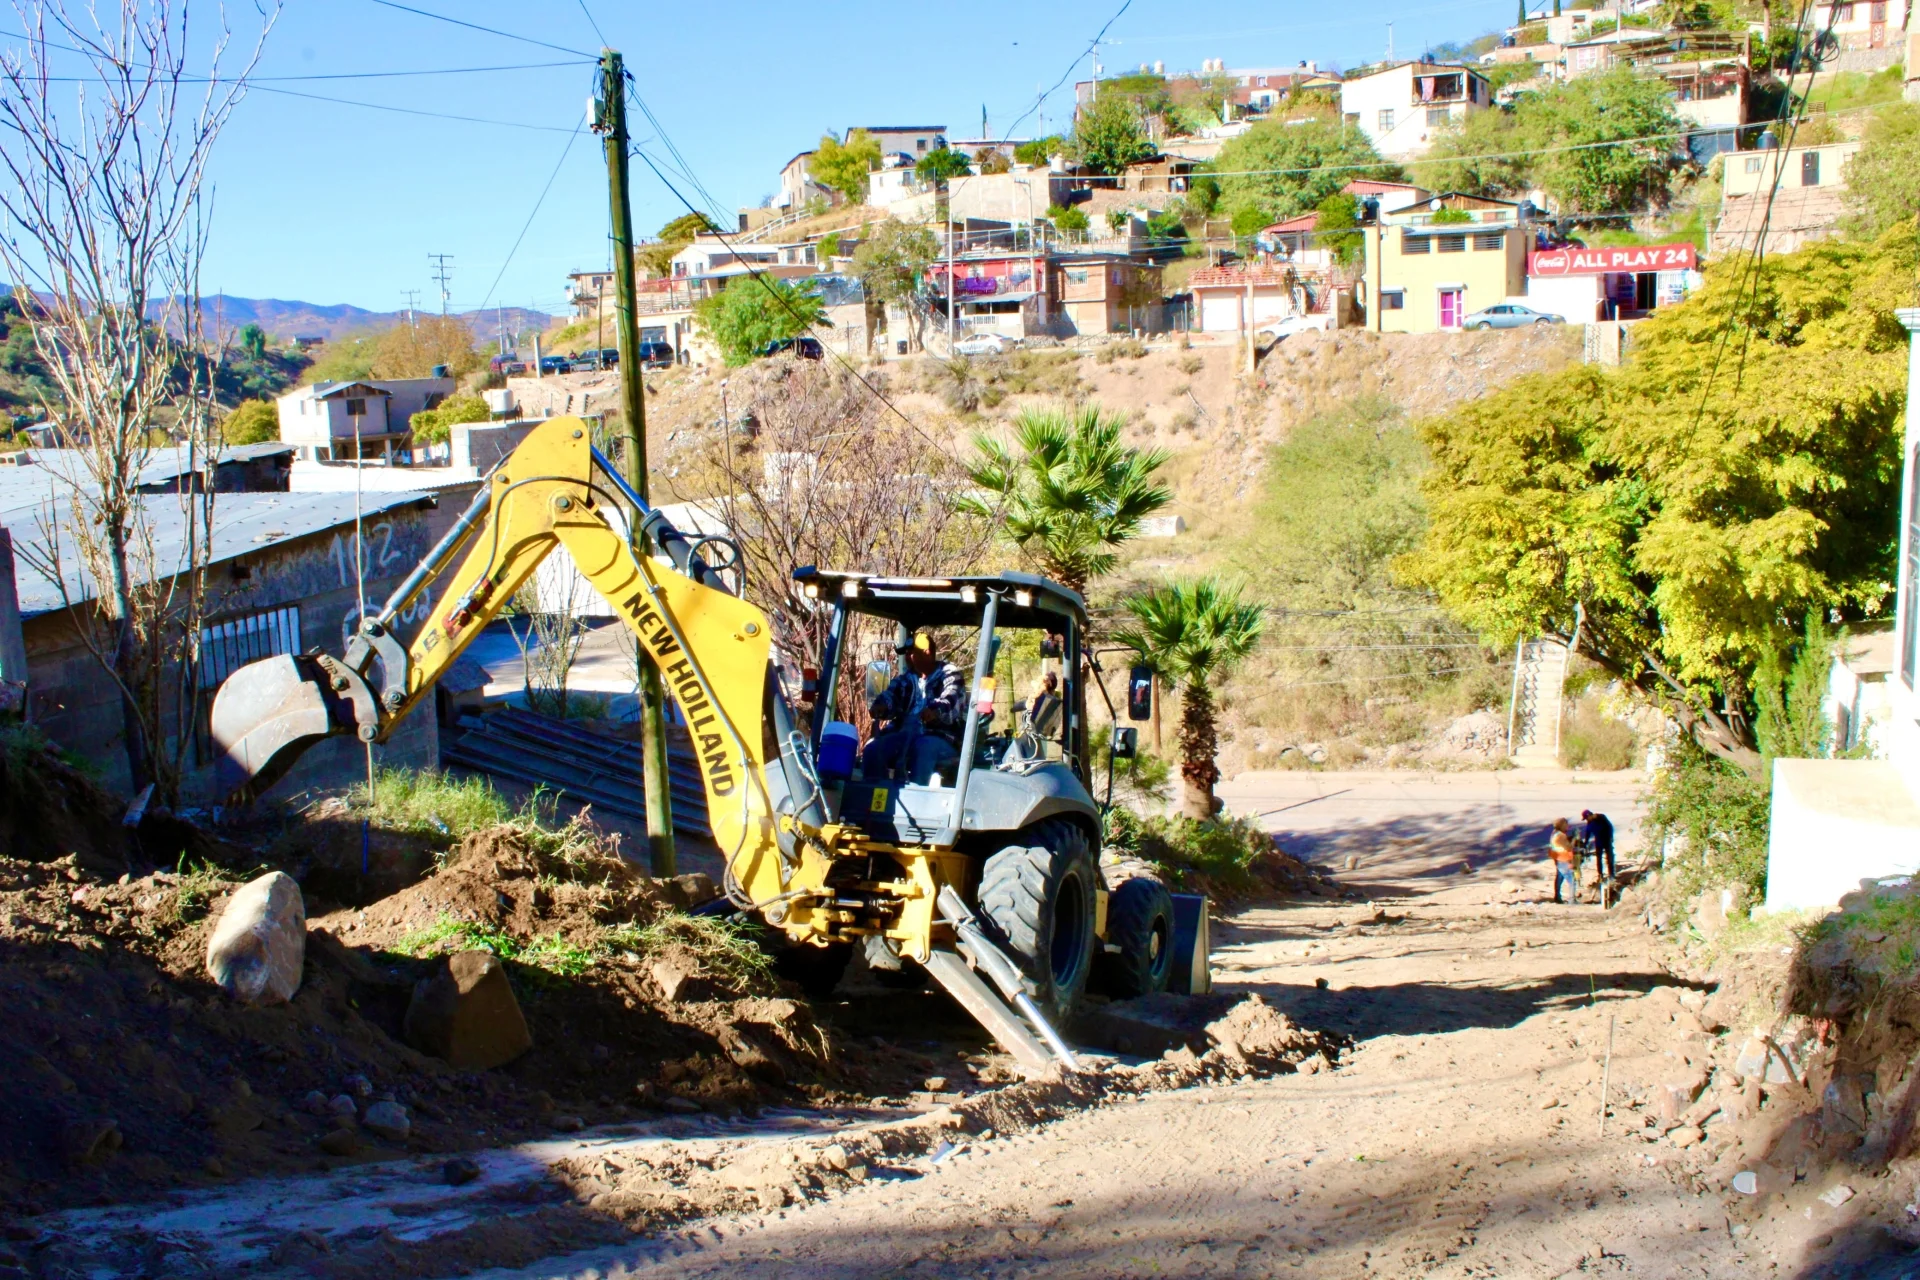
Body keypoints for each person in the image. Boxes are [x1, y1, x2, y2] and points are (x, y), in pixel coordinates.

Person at [862, 632, 966, 785]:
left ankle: (917, 796)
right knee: (873, 749)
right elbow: (891, 696)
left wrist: (934, 710)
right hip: (906, 735)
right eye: (906, 653)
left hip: (941, 738)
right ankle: (879, 794)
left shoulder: (949, 674)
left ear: (927, 652)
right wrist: (882, 705)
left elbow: (950, 699)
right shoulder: (906, 679)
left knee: (923, 747)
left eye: (912, 653)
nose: (908, 657)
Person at [1548, 817, 1578, 904]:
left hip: (1558, 859)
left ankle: (1557, 897)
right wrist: (1574, 838)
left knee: (1559, 879)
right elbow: (1569, 847)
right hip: (1563, 859)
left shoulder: (1555, 833)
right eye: (1566, 824)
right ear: (1562, 825)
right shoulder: (1561, 835)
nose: (1568, 826)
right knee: (1571, 880)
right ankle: (1572, 900)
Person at [1581, 809, 1615, 881]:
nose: (1586, 820)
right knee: (1599, 858)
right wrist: (1585, 843)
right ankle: (1600, 874)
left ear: (1589, 815)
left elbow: (1609, 827)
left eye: (1586, 818)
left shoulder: (1601, 817)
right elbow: (1588, 833)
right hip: (1598, 841)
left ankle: (1611, 874)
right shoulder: (1589, 823)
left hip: (1606, 839)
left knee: (1609, 857)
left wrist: (1611, 837)